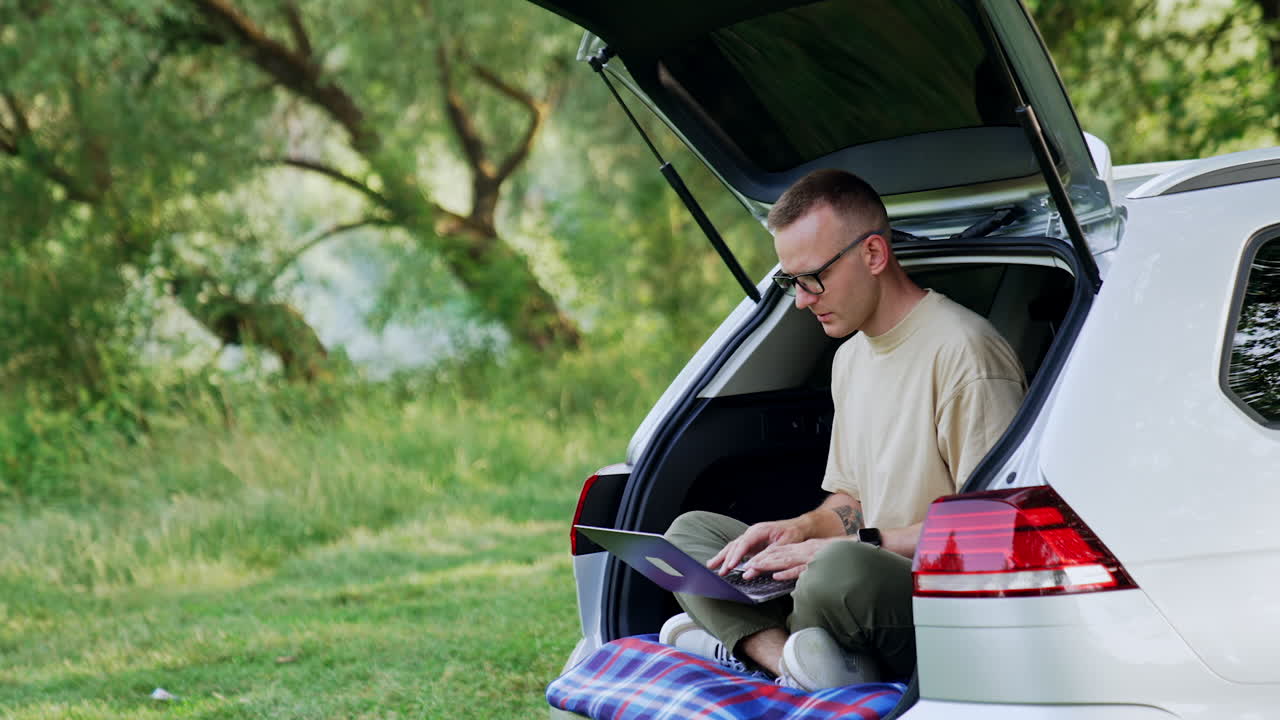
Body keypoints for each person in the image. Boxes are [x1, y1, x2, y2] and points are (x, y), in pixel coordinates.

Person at [661, 168, 1027, 690]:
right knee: (689, 536)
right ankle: (789, 662)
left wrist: (855, 547)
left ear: (874, 255)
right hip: (849, 578)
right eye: (791, 282)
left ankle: (746, 646)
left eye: (813, 278)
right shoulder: (849, 357)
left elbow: (991, 533)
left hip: (937, 599)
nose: (802, 299)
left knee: (837, 571)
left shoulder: (965, 352)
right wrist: (801, 530)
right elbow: (852, 499)